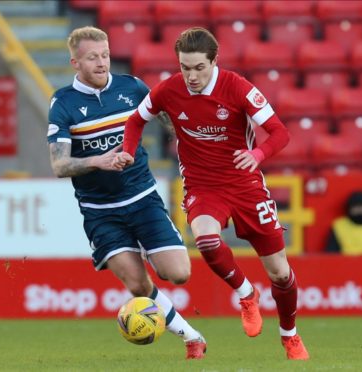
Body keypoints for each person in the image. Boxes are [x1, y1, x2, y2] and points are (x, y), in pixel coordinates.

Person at [115, 27, 309, 360]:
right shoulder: (169, 90)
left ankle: (289, 335)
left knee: (280, 272)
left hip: (244, 183)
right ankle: (246, 294)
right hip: (203, 185)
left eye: (198, 68)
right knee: (205, 239)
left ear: (214, 61)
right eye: (184, 67)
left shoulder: (237, 88)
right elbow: (135, 120)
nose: (190, 75)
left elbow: (280, 133)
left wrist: (257, 155)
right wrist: (128, 150)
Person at [47, 26, 206, 359]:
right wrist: (98, 161)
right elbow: (60, 165)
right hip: (100, 211)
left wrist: (194, 130)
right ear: (75, 62)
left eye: (105, 55)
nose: (102, 63)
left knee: (178, 273)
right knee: (137, 286)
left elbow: (168, 120)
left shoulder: (131, 88)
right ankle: (192, 337)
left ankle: (151, 249)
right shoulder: (63, 103)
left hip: (142, 198)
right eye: (92, 58)